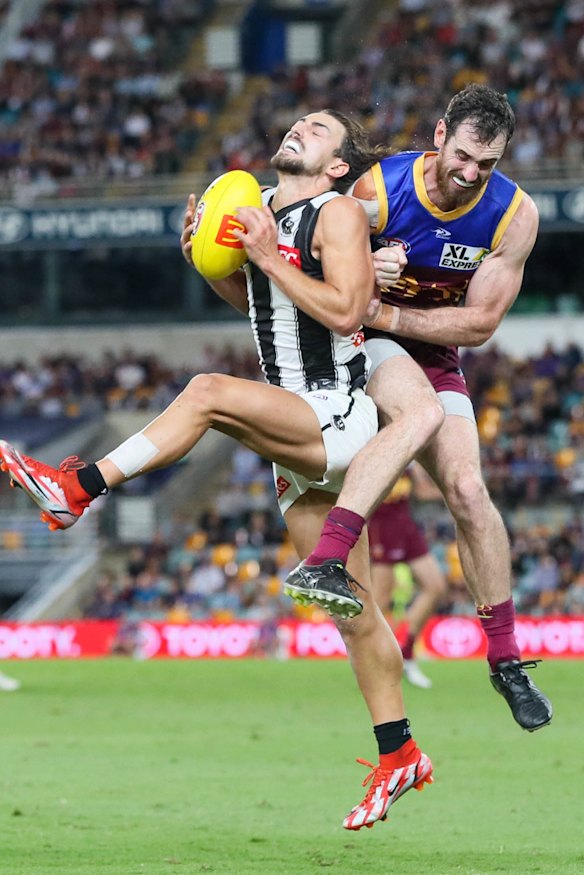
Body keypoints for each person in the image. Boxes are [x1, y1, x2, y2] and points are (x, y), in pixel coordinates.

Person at [0, 110, 432, 831]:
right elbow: (268, 311)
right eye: (299, 120)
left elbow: (352, 308)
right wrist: (212, 262)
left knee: (206, 392)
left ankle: (77, 488)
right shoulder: (259, 210)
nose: (300, 127)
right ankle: (401, 753)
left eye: (319, 129)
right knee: (351, 609)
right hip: (294, 427)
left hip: (336, 411)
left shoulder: (339, 214)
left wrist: (267, 256)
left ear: (336, 166)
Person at [285, 84, 553, 732]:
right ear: (440, 135)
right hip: (362, 341)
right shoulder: (377, 190)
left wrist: (392, 307)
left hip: (431, 350)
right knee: (419, 416)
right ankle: (327, 556)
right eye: (462, 155)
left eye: (485, 166)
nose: (470, 174)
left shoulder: (514, 215)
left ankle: (506, 659)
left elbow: (481, 321)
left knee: (466, 486)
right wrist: (361, 270)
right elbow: (314, 264)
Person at [368, 464, 447, 689]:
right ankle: (378, 661)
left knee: (436, 587)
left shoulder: (409, 449)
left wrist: (457, 488)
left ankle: (407, 650)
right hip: (381, 527)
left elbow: (422, 491)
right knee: (380, 600)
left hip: (405, 525)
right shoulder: (372, 446)